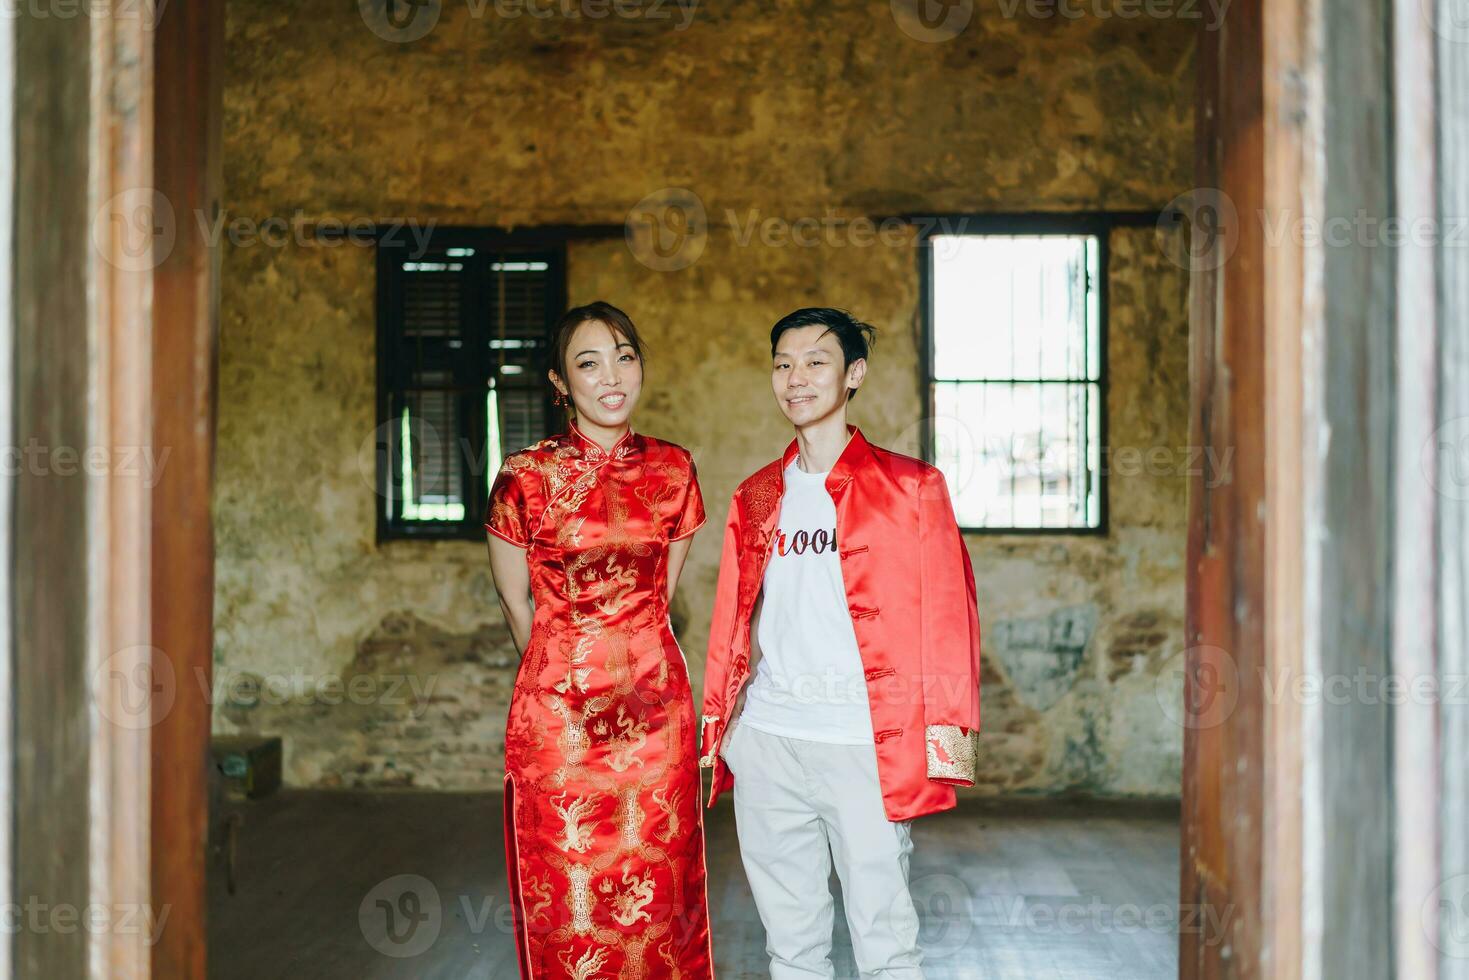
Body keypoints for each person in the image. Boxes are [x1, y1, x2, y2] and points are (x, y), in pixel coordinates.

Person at [698, 307, 982, 979]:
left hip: (864, 745)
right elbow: (729, 621)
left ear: (853, 373)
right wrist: (725, 729)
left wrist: (942, 745)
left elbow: (949, 620)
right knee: (790, 947)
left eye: (815, 362)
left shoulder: (912, 489)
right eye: (782, 364)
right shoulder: (756, 496)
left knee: (885, 943)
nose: (795, 378)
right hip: (771, 742)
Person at [485, 301, 714, 979]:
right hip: (559, 718)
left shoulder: (673, 470)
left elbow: (660, 594)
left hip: (654, 713)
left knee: (660, 887)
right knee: (569, 893)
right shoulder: (524, 476)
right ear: (560, 382)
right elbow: (511, 596)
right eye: (589, 362)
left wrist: (626, 659)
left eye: (624, 356)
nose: (611, 375)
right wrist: (557, 673)